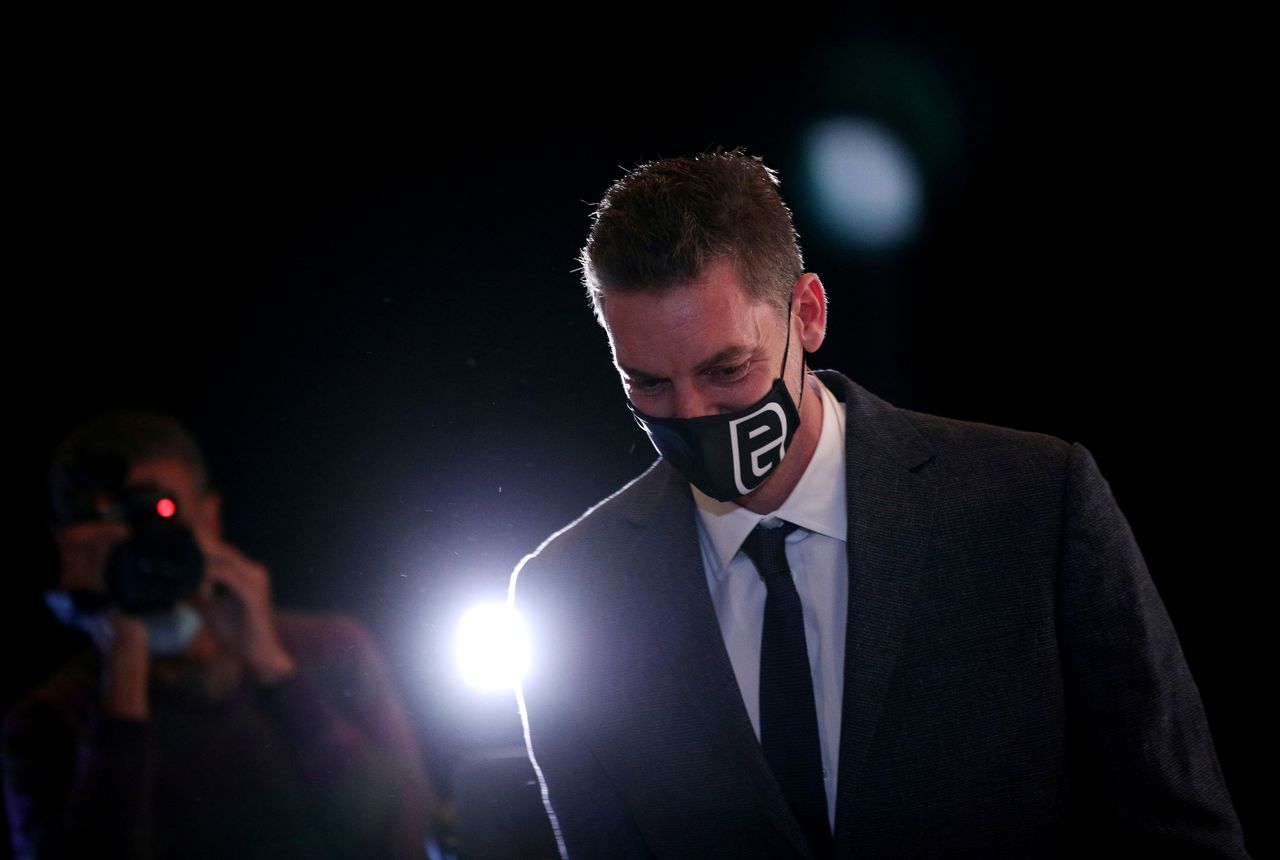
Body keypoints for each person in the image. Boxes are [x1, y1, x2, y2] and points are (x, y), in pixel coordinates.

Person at [508, 150, 1249, 858]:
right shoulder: (570, 596)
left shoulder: (1031, 506)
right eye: (649, 383)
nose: (694, 413)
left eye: (727, 368)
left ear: (807, 314)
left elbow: (1180, 834)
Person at [3, 411, 434, 859]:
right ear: (67, 548)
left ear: (209, 516)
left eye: (159, 513)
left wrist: (276, 670)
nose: (140, 545)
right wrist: (122, 682)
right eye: (111, 530)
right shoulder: (50, 719)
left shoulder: (329, 650)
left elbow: (406, 835)